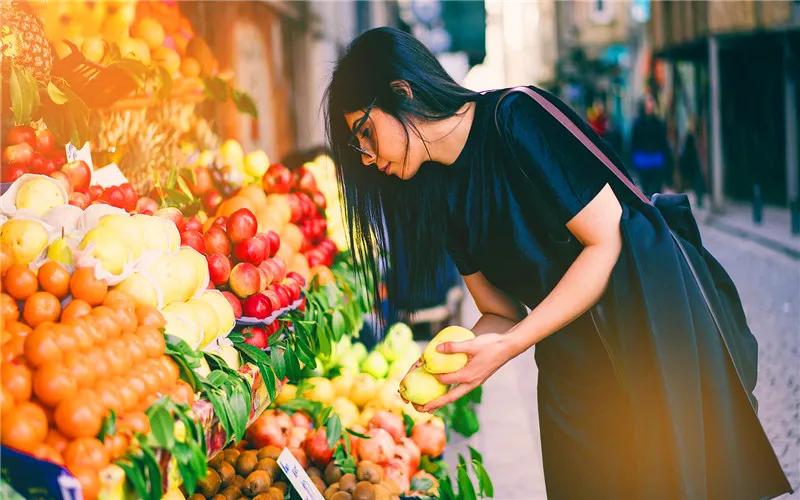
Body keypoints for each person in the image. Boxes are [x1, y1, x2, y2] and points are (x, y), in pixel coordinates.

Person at [323, 27, 791, 499]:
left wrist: (510, 346)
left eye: (365, 132)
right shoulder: (442, 196)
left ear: (402, 93)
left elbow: (605, 243)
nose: (364, 158)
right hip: (572, 377)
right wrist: (455, 364)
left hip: (646, 339)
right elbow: (501, 313)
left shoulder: (516, 117)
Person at [630, 95, 672, 197]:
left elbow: (663, 141)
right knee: (646, 188)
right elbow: (634, 142)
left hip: (656, 159)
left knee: (656, 188)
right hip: (643, 160)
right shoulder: (638, 124)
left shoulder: (658, 123)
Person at [679, 117, 708, 208]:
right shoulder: (691, 137)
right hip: (692, 163)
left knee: (696, 182)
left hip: (693, 164)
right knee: (695, 181)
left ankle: (697, 199)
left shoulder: (696, 137)